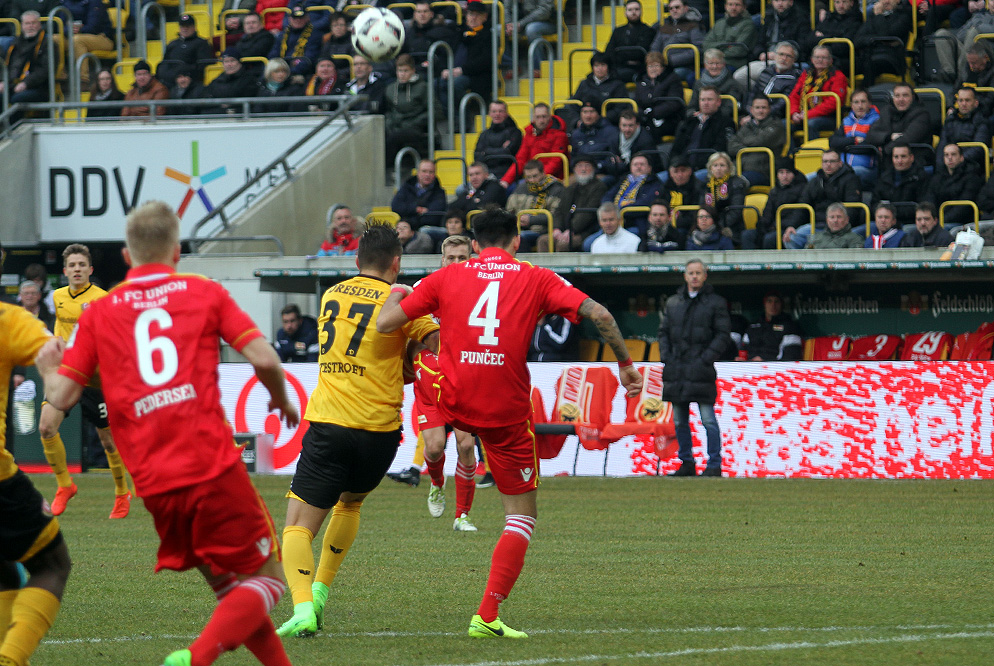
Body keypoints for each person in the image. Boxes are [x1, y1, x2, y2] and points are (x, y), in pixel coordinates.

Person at [39, 201, 298, 666]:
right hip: (210, 466)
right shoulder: (204, 291)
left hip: (153, 482)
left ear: (126, 256)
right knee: (270, 581)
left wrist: (46, 369)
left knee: (231, 588)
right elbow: (264, 358)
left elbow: (60, 397)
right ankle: (196, 658)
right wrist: (280, 399)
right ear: (177, 252)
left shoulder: (99, 312)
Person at [376, 206, 643, 639]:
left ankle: (441, 481)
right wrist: (626, 366)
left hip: (454, 397)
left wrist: (399, 291)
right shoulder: (537, 277)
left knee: (446, 440)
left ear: (475, 244)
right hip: (505, 411)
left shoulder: (446, 276)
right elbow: (603, 317)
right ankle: (487, 614)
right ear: (517, 241)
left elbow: (387, 323)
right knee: (520, 517)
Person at [275, 224, 439, 638]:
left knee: (297, 526)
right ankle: (321, 590)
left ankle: (303, 607)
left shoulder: (332, 295)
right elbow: (436, 345)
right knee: (349, 505)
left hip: (332, 423)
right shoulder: (402, 301)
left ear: (355, 260)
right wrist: (410, 357)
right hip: (381, 433)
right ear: (396, 263)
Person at [0, 240, 72, 666]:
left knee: (5, 567)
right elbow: (55, 364)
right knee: (52, 563)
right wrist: (54, 377)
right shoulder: (10, 320)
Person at [38, 244, 132, 519]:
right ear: (65, 270)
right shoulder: (57, 296)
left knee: (108, 441)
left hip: (95, 378)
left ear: (90, 270)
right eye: (72, 265)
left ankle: (121, 492)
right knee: (46, 427)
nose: (77, 269)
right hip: (67, 374)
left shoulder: (102, 299)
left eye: (81, 265)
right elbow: (60, 327)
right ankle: (65, 486)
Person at [385, 236, 474, 488]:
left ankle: (466, 505)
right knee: (434, 447)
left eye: (462, 258)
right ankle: (435, 482)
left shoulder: (482, 289)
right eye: (451, 258)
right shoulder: (423, 287)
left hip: (467, 373)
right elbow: (407, 326)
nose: (456, 263)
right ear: (442, 260)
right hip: (432, 374)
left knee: (467, 444)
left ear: (471, 260)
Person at [658, 259, 729, 477]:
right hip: (676, 370)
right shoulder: (673, 303)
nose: (695, 276)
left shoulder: (716, 302)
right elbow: (663, 333)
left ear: (705, 276)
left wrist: (705, 359)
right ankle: (686, 462)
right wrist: (667, 358)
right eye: (691, 273)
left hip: (701, 371)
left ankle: (714, 464)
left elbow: (723, 335)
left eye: (698, 273)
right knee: (679, 421)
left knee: (708, 420)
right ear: (685, 276)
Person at [786, 149, 861, 249]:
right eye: (825, 161)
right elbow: (803, 205)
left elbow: (853, 207)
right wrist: (792, 225)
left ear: (840, 163)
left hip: (841, 226)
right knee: (791, 238)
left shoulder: (851, 179)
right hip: (818, 225)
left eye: (832, 161)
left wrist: (838, 224)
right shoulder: (815, 182)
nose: (828, 164)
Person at [734, 0, 809, 89]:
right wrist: (761, 53)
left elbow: (802, 46)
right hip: (767, 61)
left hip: (788, 61)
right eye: (776, 0)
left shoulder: (801, 19)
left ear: (791, 2)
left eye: (783, 0)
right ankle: (762, 93)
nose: (780, 3)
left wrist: (780, 54)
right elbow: (759, 43)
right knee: (739, 76)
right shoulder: (768, 18)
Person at [742, 155, 807, 249]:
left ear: (794, 174)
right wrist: (762, 227)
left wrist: (781, 226)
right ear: (777, 175)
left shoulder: (803, 189)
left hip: (789, 228)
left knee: (770, 239)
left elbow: (799, 214)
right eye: (781, 172)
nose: (784, 176)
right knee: (747, 235)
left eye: (788, 172)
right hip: (773, 228)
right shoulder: (774, 191)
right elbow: (767, 213)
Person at [438, 1, 494, 106]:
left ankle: (465, 112)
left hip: (475, 75)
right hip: (452, 71)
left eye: (478, 15)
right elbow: (445, 52)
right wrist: (444, 69)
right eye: (471, 14)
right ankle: (450, 113)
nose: (474, 18)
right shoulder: (458, 31)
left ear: (485, 17)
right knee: (437, 83)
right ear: (466, 15)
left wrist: (462, 70)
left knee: (456, 84)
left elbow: (485, 60)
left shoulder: (488, 36)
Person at [669, 86, 736, 173]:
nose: (705, 103)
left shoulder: (726, 123)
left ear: (718, 102)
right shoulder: (688, 122)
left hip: (707, 169)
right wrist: (676, 165)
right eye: (702, 100)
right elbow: (675, 149)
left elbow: (720, 149)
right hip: (682, 169)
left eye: (709, 99)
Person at [787, 46, 848, 142]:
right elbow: (794, 96)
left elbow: (834, 102)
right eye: (817, 57)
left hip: (829, 117)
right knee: (784, 124)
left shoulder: (838, 76)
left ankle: (813, 150)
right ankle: (792, 151)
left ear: (831, 60)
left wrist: (809, 114)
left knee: (811, 124)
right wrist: (794, 113)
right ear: (812, 59)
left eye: (824, 57)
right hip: (804, 115)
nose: (820, 60)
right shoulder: (806, 74)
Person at [501, 102, 569, 186]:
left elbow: (556, 162)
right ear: (533, 118)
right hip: (531, 177)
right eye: (538, 117)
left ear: (549, 117)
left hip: (553, 179)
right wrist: (506, 181)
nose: (541, 120)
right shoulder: (529, 134)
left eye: (544, 116)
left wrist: (537, 177)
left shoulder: (560, 135)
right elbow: (520, 160)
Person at [506, 160, 566, 250]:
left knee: (519, 238)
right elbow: (509, 210)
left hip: (544, 230)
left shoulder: (557, 189)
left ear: (543, 173)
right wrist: (517, 219)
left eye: (535, 176)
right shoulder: (520, 188)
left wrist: (531, 220)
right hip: (519, 228)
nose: (532, 180)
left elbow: (557, 215)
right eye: (528, 177)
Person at [552, 156, 608, 251]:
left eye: (587, 166)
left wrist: (571, 230)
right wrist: (557, 229)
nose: (583, 169)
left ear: (593, 169)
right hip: (566, 230)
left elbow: (588, 214)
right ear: (574, 170)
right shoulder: (570, 188)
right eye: (580, 166)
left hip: (586, 231)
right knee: (544, 240)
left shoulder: (599, 187)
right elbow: (559, 210)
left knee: (563, 245)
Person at [728, 94, 784, 189]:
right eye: (757, 108)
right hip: (739, 169)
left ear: (769, 109)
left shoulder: (776, 125)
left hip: (763, 172)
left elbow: (762, 141)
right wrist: (748, 147)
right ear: (751, 110)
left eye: (763, 108)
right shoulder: (748, 126)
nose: (760, 111)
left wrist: (743, 144)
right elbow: (731, 146)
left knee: (736, 184)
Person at [870, 142, 930, 229]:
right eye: (896, 157)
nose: (899, 161)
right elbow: (874, 204)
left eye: (903, 156)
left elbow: (923, 206)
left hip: (910, 223)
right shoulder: (884, 178)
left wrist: (892, 212)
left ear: (911, 158)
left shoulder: (921, 178)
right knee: (867, 228)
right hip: (885, 221)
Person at [601, 153, 662, 238]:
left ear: (649, 168)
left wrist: (620, 211)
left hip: (634, 223)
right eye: (635, 164)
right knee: (589, 242)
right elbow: (608, 196)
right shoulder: (623, 180)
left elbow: (646, 202)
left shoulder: (654, 183)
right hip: (612, 221)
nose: (638, 167)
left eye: (642, 164)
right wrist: (609, 208)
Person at [384, 54, 431, 164]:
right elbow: (388, 110)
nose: (402, 74)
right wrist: (389, 123)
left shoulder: (423, 87)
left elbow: (434, 111)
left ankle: (387, 167)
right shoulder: (390, 89)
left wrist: (414, 123)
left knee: (394, 138)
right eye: (400, 71)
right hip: (394, 126)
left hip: (415, 127)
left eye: (406, 71)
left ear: (413, 71)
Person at [828, 89, 880, 188]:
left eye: (863, 102)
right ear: (851, 105)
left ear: (869, 104)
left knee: (842, 176)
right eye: (856, 102)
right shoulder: (846, 121)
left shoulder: (877, 120)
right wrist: (854, 140)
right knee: (810, 177)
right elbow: (832, 142)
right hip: (842, 168)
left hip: (866, 169)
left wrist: (844, 146)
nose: (860, 106)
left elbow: (870, 146)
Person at [865, 83, 931, 160]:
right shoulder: (886, 112)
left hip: (916, 161)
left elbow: (907, 139)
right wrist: (889, 137)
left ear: (913, 97)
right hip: (888, 162)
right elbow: (871, 135)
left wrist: (885, 150)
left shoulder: (922, 114)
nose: (901, 99)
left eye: (905, 95)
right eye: (897, 96)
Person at [0, 11, 49, 114]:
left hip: (37, 87)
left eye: (33, 23)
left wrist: (26, 83)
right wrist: (3, 81)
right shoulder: (15, 43)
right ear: (22, 25)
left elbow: (44, 70)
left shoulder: (47, 44)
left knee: (17, 99)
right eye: (27, 23)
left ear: (39, 25)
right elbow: (7, 66)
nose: (30, 26)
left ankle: (11, 124)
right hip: (12, 84)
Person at [853, 0, 912, 85]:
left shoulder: (903, 16)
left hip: (893, 59)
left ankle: (866, 92)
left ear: (898, 1)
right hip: (870, 56)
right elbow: (857, 41)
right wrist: (874, 40)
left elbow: (885, 35)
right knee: (846, 64)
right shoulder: (872, 18)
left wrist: (879, 15)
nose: (886, 1)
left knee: (869, 65)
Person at [564, 52, 629, 128]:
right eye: (596, 65)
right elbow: (573, 105)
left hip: (608, 125)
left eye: (603, 65)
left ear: (608, 67)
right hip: (584, 125)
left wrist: (599, 120)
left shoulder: (618, 85)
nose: (599, 69)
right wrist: (577, 121)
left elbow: (620, 108)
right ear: (592, 67)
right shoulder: (584, 84)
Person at [925, 143, 984, 228]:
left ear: (961, 157)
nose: (949, 158)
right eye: (946, 155)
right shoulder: (937, 177)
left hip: (961, 222)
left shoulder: (971, 177)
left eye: (953, 154)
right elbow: (930, 199)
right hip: (937, 221)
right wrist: (933, 218)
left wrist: (941, 220)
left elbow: (964, 207)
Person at [649, 0, 705, 84]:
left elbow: (698, 49)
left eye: (677, 7)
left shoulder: (694, 25)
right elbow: (654, 47)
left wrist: (672, 60)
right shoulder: (664, 26)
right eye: (671, 8)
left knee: (672, 75)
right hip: (664, 65)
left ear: (686, 8)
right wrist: (658, 61)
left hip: (686, 66)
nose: (674, 10)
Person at [632, 51, 684, 142]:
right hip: (646, 118)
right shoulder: (641, 82)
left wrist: (653, 112)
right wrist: (642, 114)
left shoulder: (672, 79)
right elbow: (636, 102)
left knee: (648, 132)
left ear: (663, 67)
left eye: (656, 65)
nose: (653, 69)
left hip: (669, 118)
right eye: (650, 66)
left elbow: (674, 103)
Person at [741, 41, 801, 119]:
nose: (784, 58)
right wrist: (750, 111)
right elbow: (753, 93)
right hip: (755, 114)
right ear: (775, 56)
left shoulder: (795, 78)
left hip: (775, 117)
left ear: (794, 60)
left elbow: (781, 104)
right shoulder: (766, 72)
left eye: (788, 56)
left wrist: (757, 114)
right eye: (781, 54)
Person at [391, 159, 448, 240]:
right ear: (418, 172)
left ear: (435, 174)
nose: (427, 175)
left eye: (431, 172)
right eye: (424, 171)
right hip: (407, 228)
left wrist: (409, 215)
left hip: (426, 232)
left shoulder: (439, 193)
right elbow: (396, 207)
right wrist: (416, 209)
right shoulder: (406, 187)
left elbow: (433, 217)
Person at [700, 151, 748, 245]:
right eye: (715, 165)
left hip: (731, 228)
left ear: (729, 168)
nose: (718, 169)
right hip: (708, 226)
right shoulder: (706, 185)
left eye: (722, 165)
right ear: (710, 168)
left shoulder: (737, 183)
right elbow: (702, 207)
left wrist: (718, 226)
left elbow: (736, 212)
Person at [62, 0, 114, 85]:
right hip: (72, 35)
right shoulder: (65, 2)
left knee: (77, 40)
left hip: (102, 38)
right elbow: (60, 25)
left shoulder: (95, 2)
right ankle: (60, 77)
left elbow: (93, 27)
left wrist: (80, 29)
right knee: (55, 39)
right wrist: (68, 30)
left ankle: (84, 80)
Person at [604, 0, 657, 82]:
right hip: (618, 67)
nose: (633, 12)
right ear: (625, 12)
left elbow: (640, 53)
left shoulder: (648, 31)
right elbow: (609, 51)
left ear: (641, 11)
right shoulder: (618, 31)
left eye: (636, 9)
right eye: (630, 10)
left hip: (639, 69)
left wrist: (619, 53)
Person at [740, 291, 802, 360]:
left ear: (781, 305)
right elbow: (743, 349)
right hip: (750, 364)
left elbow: (791, 356)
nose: (773, 305)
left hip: (773, 365)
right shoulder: (753, 326)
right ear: (765, 304)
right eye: (769, 301)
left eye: (776, 302)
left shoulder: (790, 327)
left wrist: (765, 361)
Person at [937, 86, 992, 166]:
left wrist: (959, 159)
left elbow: (978, 149)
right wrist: (941, 163)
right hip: (950, 164)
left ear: (976, 103)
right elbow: (942, 145)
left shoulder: (982, 121)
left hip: (973, 165)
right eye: (961, 100)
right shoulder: (950, 120)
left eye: (967, 100)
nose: (963, 104)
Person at [157, 13, 214, 89]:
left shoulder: (201, 43)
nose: (185, 29)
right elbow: (164, 62)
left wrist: (183, 73)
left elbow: (202, 65)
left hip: (191, 83)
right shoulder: (172, 44)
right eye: (182, 26)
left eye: (188, 26)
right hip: (170, 82)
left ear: (194, 27)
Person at [269, 5, 325, 79]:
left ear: (307, 18)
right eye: (295, 18)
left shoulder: (314, 35)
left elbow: (309, 58)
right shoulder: (282, 35)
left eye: (301, 18)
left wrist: (289, 73)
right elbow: (273, 54)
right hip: (281, 71)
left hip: (302, 74)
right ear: (289, 19)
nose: (298, 20)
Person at [474, 100, 523, 180]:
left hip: (508, 176)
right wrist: (502, 150)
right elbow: (477, 157)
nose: (497, 114)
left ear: (506, 113)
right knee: (461, 187)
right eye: (494, 111)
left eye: (500, 111)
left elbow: (510, 153)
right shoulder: (484, 134)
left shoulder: (515, 133)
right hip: (486, 176)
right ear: (489, 113)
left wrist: (486, 152)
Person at [202, 47, 259, 114]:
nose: (229, 64)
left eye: (232, 61)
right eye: (226, 61)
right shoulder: (217, 81)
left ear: (239, 62)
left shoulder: (249, 80)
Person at [702, 0, 756, 70]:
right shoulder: (719, 23)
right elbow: (706, 45)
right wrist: (725, 45)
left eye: (737, 5)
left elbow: (739, 50)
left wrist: (716, 51)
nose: (733, 8)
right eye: (730, 4)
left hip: (735, 64)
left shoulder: (748, 25)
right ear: (725, 6)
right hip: (714, 63)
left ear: (744, 7)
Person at [689, 49, 744, 116]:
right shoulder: (698, 84)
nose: (714, 67)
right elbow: (691, 107)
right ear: (705, 65)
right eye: (711, 63)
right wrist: (694, 114)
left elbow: (729, 108)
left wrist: (711, 117)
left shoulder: (733, 84)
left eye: (718, 63)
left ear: (723, 64)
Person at [568, 101, 621, 171]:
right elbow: (573, 156)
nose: (588, 116)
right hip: (580, 172)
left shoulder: (611, 132)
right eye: (585, 112)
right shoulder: (576, 134)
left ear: (598, 114)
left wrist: (598, 165)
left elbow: (613, 156)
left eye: (592, 112)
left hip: (603, 172)